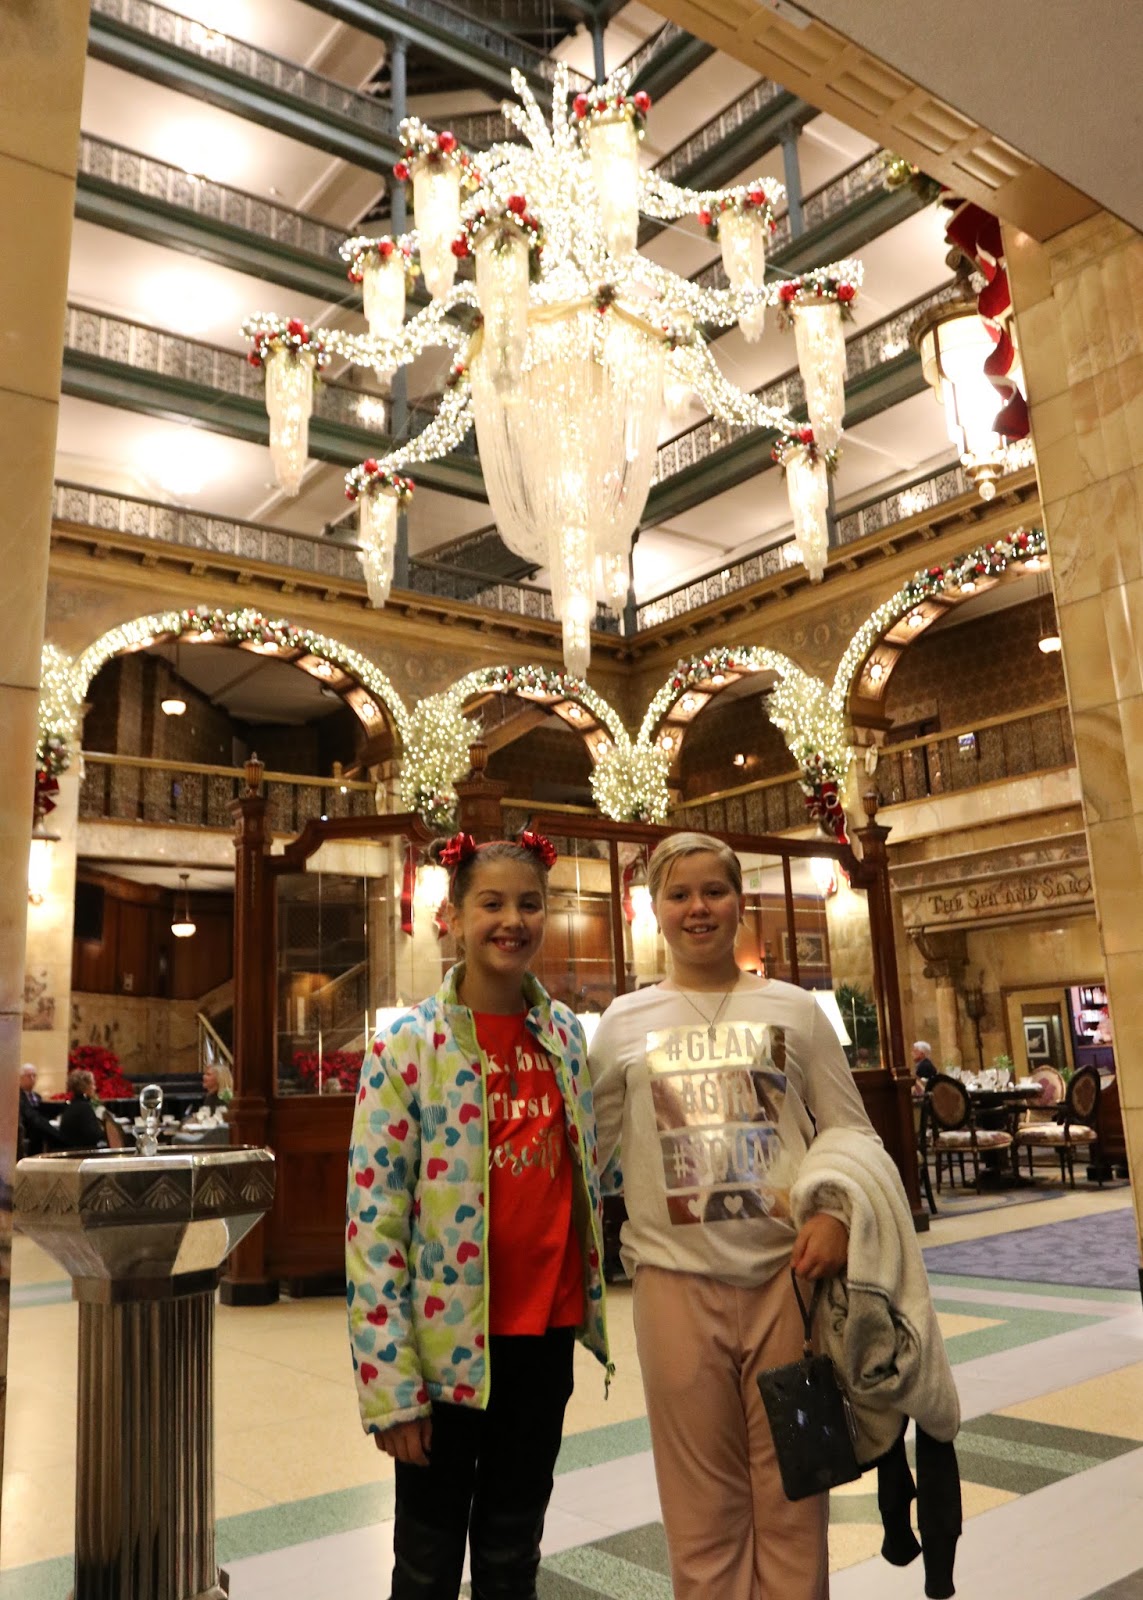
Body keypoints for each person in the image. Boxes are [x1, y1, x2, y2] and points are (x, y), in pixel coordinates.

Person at [589, 831, 879, 1600]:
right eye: (679, 894)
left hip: (788, 1283)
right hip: (672, 1284)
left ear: (738, 903)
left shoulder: (794, 1010)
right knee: (699, 1508)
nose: (698, 908)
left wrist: (836, 1215)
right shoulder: (622, 1021)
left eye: (713, 891)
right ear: (654, 910)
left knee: (794, 1494)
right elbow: (585, 1151)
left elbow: (849, 1131)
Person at [346, 829, 610, 1600]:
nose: (512, 920)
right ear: (454, 918)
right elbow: (373, 1223)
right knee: (425, 1564)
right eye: (491, 903)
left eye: (530, 904)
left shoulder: (563, 1036)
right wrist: (390, 1385)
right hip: (444, 1349)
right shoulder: (408, 1046)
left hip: (545, 1334)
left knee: (511, 1551)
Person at [56, 1069, 107, 1150]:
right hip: (82, 1152)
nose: (95, 1088)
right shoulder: (84, 1108)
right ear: (85, 1087)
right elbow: (94, 1135)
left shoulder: (72, 1105)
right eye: (93, 1084)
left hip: (72, 1150)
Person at [18, 1063, 57, 1158]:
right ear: (20, 1078)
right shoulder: (17, 1096)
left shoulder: (37, 1096)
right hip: (28, 1129)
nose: (32, 1079)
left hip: (38, 1129)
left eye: (34, 1076)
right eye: (28, 1076)